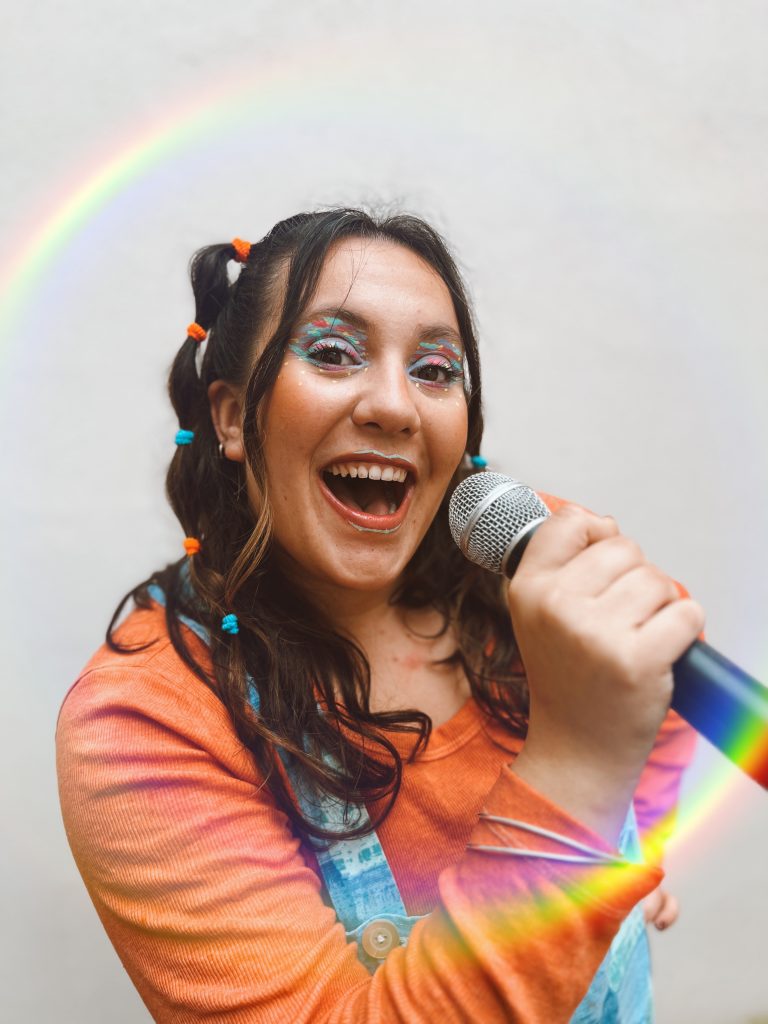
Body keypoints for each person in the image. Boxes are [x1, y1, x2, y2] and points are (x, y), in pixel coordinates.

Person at [56, 209, 703, 1023]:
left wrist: (634, 834)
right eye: (333, 353)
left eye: (435, 369)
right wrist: (580, 771)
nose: (397, 407)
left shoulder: (518, 558)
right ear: (230, 417)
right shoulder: (140, 722)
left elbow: (670, 664)